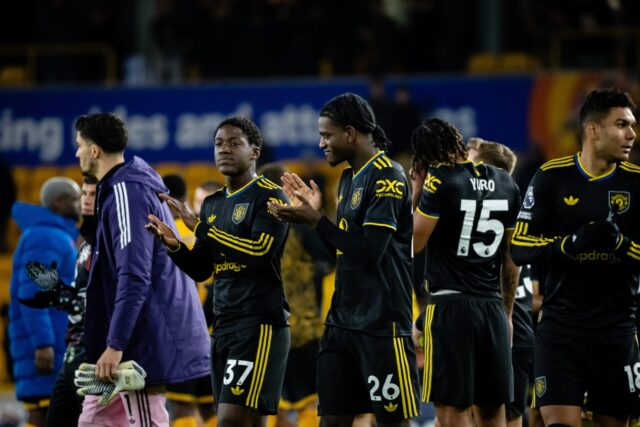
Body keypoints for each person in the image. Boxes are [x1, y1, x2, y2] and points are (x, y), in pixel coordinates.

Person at [268, 93, 420, 427]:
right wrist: (314, 221)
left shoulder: (388, 176)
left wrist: (316, 221)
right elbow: (341, 251)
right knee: (331, 422)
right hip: (341, 324)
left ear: (350, 133)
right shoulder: (349, 178)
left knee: (392, 422)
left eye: (327, 135)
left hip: (381, 326)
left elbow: (369, 252)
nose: (321, 143)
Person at [146, 117, 291, 427]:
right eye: (218, 144)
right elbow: (202, 269)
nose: (224, 149)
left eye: (234, 143)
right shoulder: (212, 204)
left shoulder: (270, 196)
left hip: (258, 323)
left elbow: (259, 253)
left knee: (230, 420)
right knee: (246, 421)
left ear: (254, 152)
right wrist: (174, 246)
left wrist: (200, 228)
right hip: (224, 324)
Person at [510, 87, 640, 427]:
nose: (632, 134)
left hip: (617, 331)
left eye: (632, 125)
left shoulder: (636, 183)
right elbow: (519, 247)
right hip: (560, 331)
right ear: (593, 129)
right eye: (622, 125)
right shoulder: (552, 177)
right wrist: (569, 244)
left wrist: (621, 246)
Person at [74, 112, 210, 426]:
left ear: (94, 150)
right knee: (93, 422)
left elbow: (134, 274)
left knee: (147, 420)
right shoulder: (124, 186)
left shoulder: (127, 192)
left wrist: (115, 344)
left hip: (143, 336)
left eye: (79, 145)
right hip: (131, 332)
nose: (77, 153)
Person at [411, 119, 520, 427]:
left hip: (451, 308)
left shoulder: (440, 179)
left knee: (451, 413)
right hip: (492, 308)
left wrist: (417, 190)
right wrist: (507, 314)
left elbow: (413, 243)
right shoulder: (506, 181)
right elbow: (511, 258)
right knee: (492, 411)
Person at [467, 138, 534, 427]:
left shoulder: (483, 226)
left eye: (469, 164)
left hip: (505, 332)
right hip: (511, 331)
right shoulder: (516, 219)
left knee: (500, 419)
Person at [259, 163, 331, 427]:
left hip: (264, 330)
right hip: (302, 328)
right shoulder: (300, 227)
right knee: (309, 402)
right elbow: (333, 254)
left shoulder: (250, 226)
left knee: (268, 405)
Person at [10, 177, 81, 426]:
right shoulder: (46, 237)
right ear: (60, 202)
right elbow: (34, 294)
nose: (81, 204)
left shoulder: (53, 235)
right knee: (43, 413)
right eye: (76, 199)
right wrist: (43, 344)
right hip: (47, 346)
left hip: (55, 342)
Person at [40, 175, 98, 426]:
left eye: (93, 194)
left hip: (94, 355)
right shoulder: (84, 244)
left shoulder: (113, 242)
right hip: (73, 351)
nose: (85, 200)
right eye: (83, 194)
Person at [161, 173, 217, 427]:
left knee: (182, 405)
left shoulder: (166, 234)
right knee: (210, 406)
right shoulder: (214, 234)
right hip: (215, 330)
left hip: (183, 331)